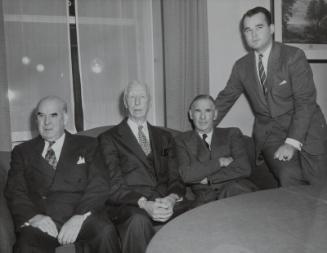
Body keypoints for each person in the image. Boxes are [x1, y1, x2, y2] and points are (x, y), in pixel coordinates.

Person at [215, 6, 327, 187]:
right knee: (289, 177)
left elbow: (305, 102)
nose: (253, 34)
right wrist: (202, 126)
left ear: (272, 29)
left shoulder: (293, 56)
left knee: (320, 187)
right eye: (248, 30)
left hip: (308, 130)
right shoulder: (241, 67)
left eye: (259, 27)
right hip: (271, 134)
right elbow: (224, 99)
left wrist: (292, 142)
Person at [5, 96, 120, 253]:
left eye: (53, 115)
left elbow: (100, 184)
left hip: (82, 217)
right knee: (26, 245)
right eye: (41, 115)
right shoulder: (22, 151)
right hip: (44, 221)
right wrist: (34, 217)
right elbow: (15, 191)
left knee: (105, 232)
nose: (47, 122)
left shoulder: (88, 145)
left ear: (65, 118)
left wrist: (79, 216)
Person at [97, 80, 191, 253]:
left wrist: (170, 199)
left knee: (196, 211)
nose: (137, 102)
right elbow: (114, 185)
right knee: (137, 221)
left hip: (164, 200)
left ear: (149, 101)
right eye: (132, 97)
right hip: (130, 205)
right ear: (125, 103)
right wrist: (145, 204)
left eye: (142, 97)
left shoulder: (165, 137)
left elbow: (175, 179)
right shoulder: (108, 138)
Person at [175, 95, 257, 206]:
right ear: (191, 114)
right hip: (205, 199)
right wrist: (220, 162)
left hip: (236, 190)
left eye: (208, 111)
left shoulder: (231, 134)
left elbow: (244, 168)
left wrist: (209, 179)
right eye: (198, 111)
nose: (203, 117)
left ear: (215, 114)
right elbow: (186, 175)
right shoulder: (182, 140)